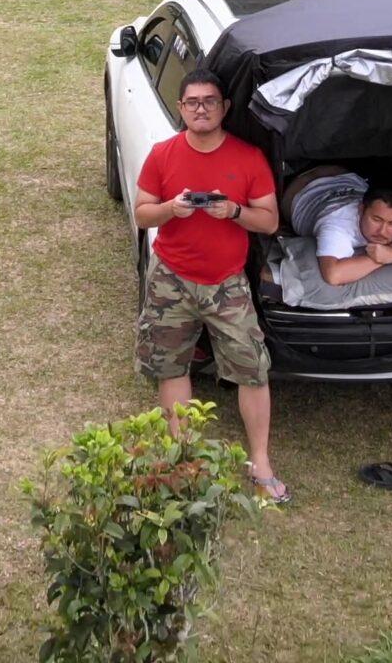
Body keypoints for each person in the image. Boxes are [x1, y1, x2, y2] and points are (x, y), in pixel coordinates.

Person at [132, 67, 287, 503]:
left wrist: (234, 212)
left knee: (252, 370)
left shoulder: (248, 157)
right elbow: (142, 214)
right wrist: (171, 209)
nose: (201, 109)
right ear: (181, 109)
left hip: (226, 284)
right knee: (170, 367)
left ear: (225, 108)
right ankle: (181, 459)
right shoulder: (163, 154)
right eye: (193, 103)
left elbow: (270, 220)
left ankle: (260, 463)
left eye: (210, 102)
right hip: (170, 281)